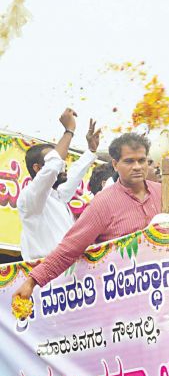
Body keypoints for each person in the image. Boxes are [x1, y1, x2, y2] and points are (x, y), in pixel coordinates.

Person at [13, 133, 169, 302]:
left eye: (142, 160)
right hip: (126, 300)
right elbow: (69, 248)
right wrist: (33, 281)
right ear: (115, 164)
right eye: (129, 161)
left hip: (168, 293)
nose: (137, 167)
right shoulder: (103, 203)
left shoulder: (164, 194)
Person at [18, 108, 100, 261]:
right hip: (44, 274)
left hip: (66, 272)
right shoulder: (30, 198)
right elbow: (54, 165)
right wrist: (69, 131)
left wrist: (91, 150)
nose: (63, 165)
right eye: (55, 160)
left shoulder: (58, 196)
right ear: (37, 168)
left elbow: (75, 173)